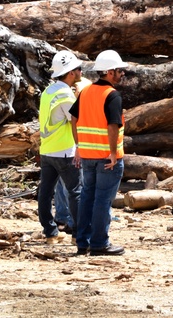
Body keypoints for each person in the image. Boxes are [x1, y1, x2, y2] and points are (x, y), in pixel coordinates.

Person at [70, 50, 129, 256]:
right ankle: (99, 243)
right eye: (120, 70)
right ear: (110, 72)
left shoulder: (85, 92)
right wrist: (113, 153)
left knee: (87, 197)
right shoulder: (112, 95)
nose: (122, 74)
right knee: (102, 200)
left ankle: (83, 242)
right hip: (107, 158)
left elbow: (74, 119)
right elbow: (113, 125)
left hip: (87, 155)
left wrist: (79, 145)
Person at [37, 51, 82, 244]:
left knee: (46, 192)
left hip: (47, 150)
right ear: (70, 73)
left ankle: (50, 232)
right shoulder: (65, 94)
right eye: (78, 69)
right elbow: (74, 120)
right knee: (75, 192)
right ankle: (78, 234)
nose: (81, 71)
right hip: (64, 151)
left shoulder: (49, 91)